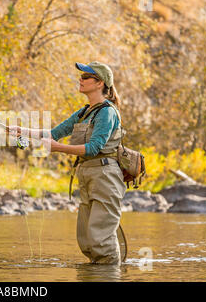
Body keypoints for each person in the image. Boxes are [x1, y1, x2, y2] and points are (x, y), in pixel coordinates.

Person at [7, 61, 126, 265]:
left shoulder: (107, 112)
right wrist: (22, 131)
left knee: (101, 241)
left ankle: (110, 276)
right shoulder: (84, 111)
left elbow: (93, 148)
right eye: (81, 76)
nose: (80, 80)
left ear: (100, 83)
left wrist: (57, 148)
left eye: (86, 77)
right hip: (87, 175)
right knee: (87, 241)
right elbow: (55, 133)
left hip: (106, 176)